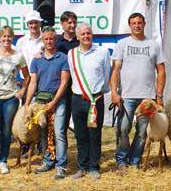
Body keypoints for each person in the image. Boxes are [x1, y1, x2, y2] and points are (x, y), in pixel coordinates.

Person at [111, 12, 166, 173]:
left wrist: (159, 95)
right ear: (130, 25)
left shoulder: (153, 44)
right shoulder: (122, 44)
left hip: (147, 98)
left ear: (144, 24)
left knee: (142, 132)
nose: (137, 25)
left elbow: (161, 71)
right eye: (133, 23)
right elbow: (116, 69)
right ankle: (121, 160)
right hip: (126, 95)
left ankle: (135, 161)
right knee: (123, 129)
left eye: (139, 22)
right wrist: (114, 92)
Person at [0, 26, 30, 174]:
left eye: (9, 36)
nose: (7, 39)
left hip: (11, 98)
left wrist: (21, 91)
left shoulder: (18, 56)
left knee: (6, 132)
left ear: (12, 38)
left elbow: (27, 76)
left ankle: (3, 161)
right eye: (4, 37)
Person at [25, 27, 71, 180]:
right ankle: (47, 161)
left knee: (58, 132)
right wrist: (27, 105)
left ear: (55, 40)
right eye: (46, 39)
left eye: (51, 38)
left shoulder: (63, 58)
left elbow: (64, 83)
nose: (49, 41)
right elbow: (33, 83)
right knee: (44, 133)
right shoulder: (37, 60)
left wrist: (54, 102)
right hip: (40, 102)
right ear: (42, 41)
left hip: (59, 101)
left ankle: (61, 165)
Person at [68, 24, 112, 180]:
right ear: (78, 37)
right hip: (77, 99)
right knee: (80, 135)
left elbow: (107, 75)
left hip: (95, 99)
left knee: (94, 134)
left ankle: (94, 166)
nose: (86, 36)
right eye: (83, 34)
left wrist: (100, 91)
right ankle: (82, 167)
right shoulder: (71, 53)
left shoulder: (102, 52)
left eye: (89, 33)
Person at [56, 11, 79, 142]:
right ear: (62, 24)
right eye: (69, 22)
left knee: (78, 122)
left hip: (77, 88)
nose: (72, 25)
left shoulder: (80, 40)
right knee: (61, 123)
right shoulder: (56, 42)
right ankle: (60, 153)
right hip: (61, 87)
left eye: (74, 22)